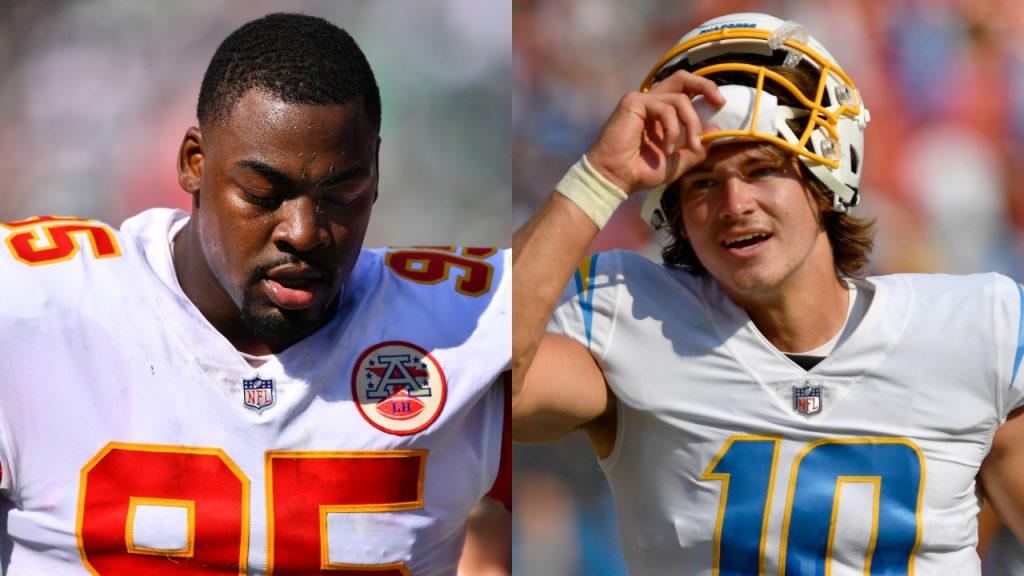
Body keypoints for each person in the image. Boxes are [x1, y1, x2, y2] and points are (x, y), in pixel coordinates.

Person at [512, 11, 1024, 575]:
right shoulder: (630, 318)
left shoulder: (976, 331)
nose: (734, 204)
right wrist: (598, 177)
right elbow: (488, 383)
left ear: (826, 179)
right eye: (703, 182)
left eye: (761, 170)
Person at [0, 12, 510, 575]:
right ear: (194, 163)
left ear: (376, 175)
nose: (303, 231)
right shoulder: (35, 307)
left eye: (342, 195)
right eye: (265, 192)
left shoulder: (465, 326)